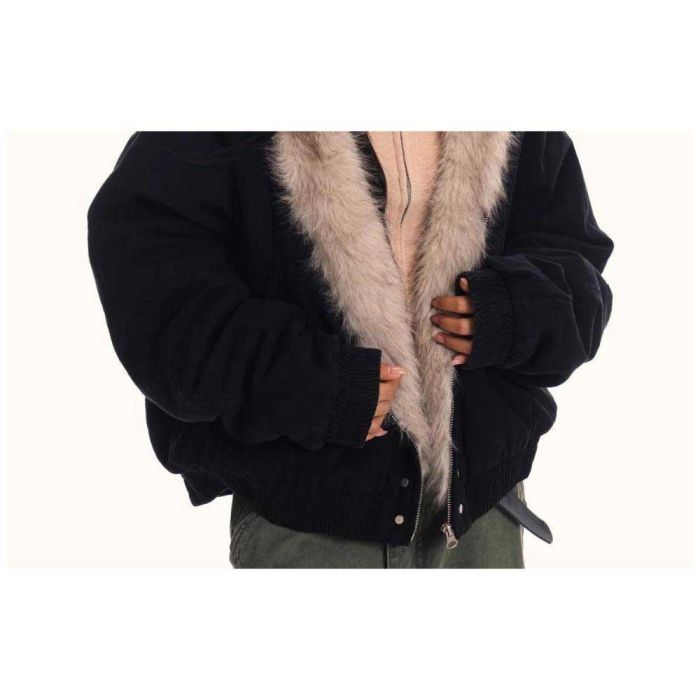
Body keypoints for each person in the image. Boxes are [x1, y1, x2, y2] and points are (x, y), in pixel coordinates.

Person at [88, 131, 613, 569]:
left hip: (481, 518)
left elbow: (576, 264)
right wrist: (308, 383)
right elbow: (156, 289)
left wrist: (515, 311)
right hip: (309, 522)